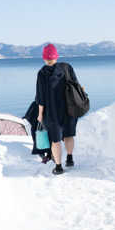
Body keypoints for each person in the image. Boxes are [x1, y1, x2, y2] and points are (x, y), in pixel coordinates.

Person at [36, 43, 79, 175]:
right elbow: (76, 85)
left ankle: (59, 167)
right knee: (69, 135)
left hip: (52, 112)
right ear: (56, 56)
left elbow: (41, 97)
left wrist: (40, 114)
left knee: (55, 140)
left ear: (44, 58)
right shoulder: (66, 67)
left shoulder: (42, 73)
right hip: (70, 108)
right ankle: (70, 158)